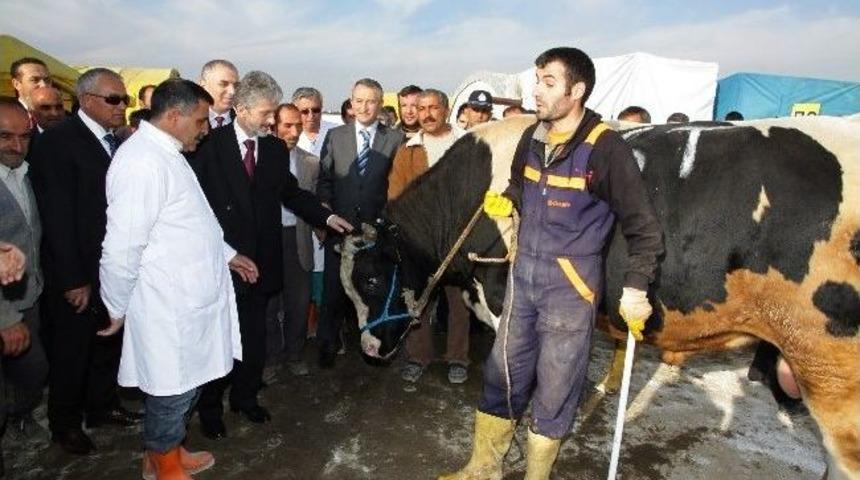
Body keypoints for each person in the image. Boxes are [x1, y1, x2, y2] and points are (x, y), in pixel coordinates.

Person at [440, 47, 663, 480]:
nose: (536, 91)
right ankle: (483, 467)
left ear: (576, 90)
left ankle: (536, 475)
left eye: (548, 82)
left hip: (571, 286)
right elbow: (520, 186)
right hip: (523, 277)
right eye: (536, 79)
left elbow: (644, 227)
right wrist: (506, 199)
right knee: (502, 372)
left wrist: (636, 288)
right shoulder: (534, 136)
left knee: (557, 384)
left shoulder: (605, 148)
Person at [98, 79, 258, 479]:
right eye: (201, 120)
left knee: (188, 382)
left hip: (191, 297)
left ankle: (170, 448)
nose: (206, 129)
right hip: (168, 304)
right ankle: (163, 462)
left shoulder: (167, 153)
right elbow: (122, 246)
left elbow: (191, 224)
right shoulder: (142, 162)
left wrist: (229, 255)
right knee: (171, 387)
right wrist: (115, 306)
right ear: (174, 116)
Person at [192, 71, 352, 439]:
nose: (271, 121)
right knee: (217, 339)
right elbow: (195, 208)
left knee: (253, 336)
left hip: (261, 263)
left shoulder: (275, 150)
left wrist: (325, 216)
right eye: (266, 113)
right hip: (219, 261)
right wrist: (226, 251)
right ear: (242, 109)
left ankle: (246, 398)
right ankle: (210, 408)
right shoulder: (207, 146)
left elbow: (292, 194)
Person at [29, 68, 139, 456]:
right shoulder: (58, 142)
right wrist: (74, 278)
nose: (122, 106)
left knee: (109, 339)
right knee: (72, 350)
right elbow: (56, 217)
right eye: (114, 99)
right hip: (76, 271)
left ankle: (103, 406)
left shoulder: (120, 142)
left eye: (125, 99)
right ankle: (65, 424)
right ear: (88, 100)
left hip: (113, 266)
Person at [316, 78, 405, 368]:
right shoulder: (336, 136)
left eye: (371, 101)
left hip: (375, 235)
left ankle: (371, 343)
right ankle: (327, 346)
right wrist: (326, 212)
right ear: (351, 103)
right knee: (333, 292)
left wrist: (384, 224)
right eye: (359, 101)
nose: (364, 107)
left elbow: (396, 186)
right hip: (339, 229)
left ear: (380, 105)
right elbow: (325, 180)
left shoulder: (394, 139)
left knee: (371, 292)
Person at [387, 89, 471, 384]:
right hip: (421, 245)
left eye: (434, 107)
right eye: (421, 108)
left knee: (459, 304)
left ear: (446, 110)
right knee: (419, 303)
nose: (427, 114)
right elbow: (396, 198)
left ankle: (458, 358)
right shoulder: (407, 151)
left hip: (459, 241)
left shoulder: (468, 144)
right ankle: (418, 356)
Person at [0, 98, 49, 452]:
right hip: (6, 306)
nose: (17, 146)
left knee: (33, 370)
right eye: (5, 137)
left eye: (24, 136)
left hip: (29, 296)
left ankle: (19, 413)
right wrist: (5, 318)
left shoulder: (27, 173)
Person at [273, 103, 322, 376]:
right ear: (274, 125)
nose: (293, 132)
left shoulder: (310, 162)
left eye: (297, 126)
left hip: (299, 240)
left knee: (299, 301)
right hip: (268, 240)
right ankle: (269, 359)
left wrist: (322, 224)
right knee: (269, 305)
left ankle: (294, 355)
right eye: (287, 125)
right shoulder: (258, 159)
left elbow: (312, 203)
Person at [293, 87, 335, 157]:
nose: (311, 115)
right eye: (305, 111)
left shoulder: (337, 132)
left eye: (315, 110)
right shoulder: (288, 136)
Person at [198, 59, 239, 128]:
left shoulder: (246, 125)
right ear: (203, 86)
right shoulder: (186, 122)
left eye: (235, 86)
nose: (232, 91)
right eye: (223, 84)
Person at [9, 58, 52, 123]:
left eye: (47, 80)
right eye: (35, 80)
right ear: (16, 84)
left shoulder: (64, 117)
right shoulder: (5, 116)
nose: (44, 85)